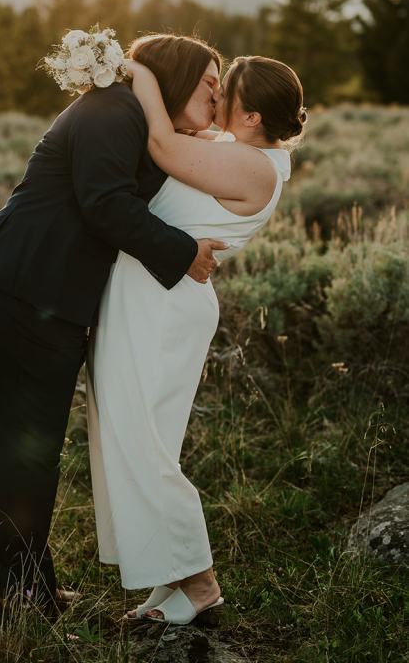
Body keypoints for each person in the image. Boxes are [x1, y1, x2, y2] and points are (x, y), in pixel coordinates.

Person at [0, 33, 227, 614]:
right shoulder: (114, 110)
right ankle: (23, 592)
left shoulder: (138, 118)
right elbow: (104, 202)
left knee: (36, 446)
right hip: (18, 287)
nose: (218, 93)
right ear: (177, 79)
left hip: (46, 296)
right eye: (209, 81)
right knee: (24, 445)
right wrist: (185, 253)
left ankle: (27, 581)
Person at [86, 53, 305, 626]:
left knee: (145, 441)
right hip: (144, 295)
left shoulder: (255, 168)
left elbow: (161, 143)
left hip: (164, 307)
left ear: (251, 115)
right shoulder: (238, 149)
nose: (214, 97)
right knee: (132, 436)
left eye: (223, 89)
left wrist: (141, 70)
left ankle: (201, 582)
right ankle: (170, 577)